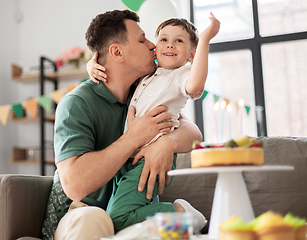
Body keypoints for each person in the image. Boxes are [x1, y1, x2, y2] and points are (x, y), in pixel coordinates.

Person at [41, 9, 203, 240]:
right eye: (142, 39)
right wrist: (134, 137)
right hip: (86, 213)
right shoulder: (77, 103)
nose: (152, 45)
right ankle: (181, 219)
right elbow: (75, 186)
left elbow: (193, 134)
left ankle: (182, 221)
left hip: (136, 215)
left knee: (165, 232)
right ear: (117, 52)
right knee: (96, 219)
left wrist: (166, 143)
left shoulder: (143, 91)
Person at [87, 13, 220, 232]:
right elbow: (114, 67)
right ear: (155, 48)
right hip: (128, 158)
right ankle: (170, 229)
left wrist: (205, 39)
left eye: (179, 41)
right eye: (164, 39)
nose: (170, 45)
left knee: (118, 217)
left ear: (191, 55)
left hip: (149, 159)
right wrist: (91, 66)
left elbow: (195, 86)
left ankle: (180, 213)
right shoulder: (149, 75)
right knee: (121, 218)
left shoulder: (181, 75)